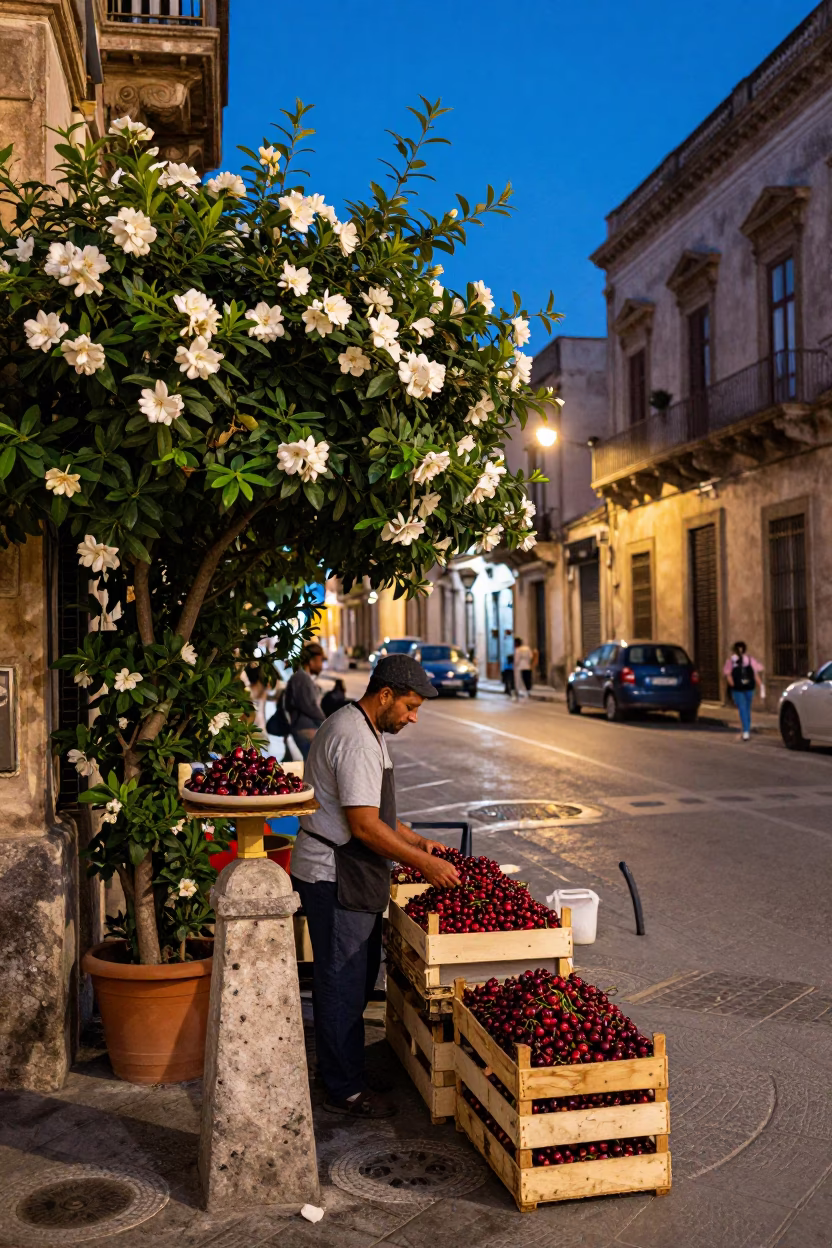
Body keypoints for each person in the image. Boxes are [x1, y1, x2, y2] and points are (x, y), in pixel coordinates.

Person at [290, 654, 461, 1119]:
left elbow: (379, 814)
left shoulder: (366, 728)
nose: (413, 716)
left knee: (358, 977)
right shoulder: (357, 740)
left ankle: (347, 1069)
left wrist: (412, 838)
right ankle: (343, 1088)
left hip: (351, 873)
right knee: (341, 983)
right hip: (335, 874)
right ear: (384, 695)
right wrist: (423, 863)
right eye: (409, 706)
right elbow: (365, 826)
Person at [285, 642, 326, 759]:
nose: (321, 665)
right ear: (311, 661)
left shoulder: (302, 678)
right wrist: (327, 722)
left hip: (305, 727)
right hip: (306, 729)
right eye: (320, 660)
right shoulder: (302, 678)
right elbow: (310, 707)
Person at [724, 640, 764, 741]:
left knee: (742, 709)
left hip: (738, 689)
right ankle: (747, 729)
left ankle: (746, 731)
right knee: (747, 708)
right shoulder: (750, 660)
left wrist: (734, 685)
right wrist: (761, 686)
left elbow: (728, 675)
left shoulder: (731, 661)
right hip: (749, 687)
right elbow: (755, 674)